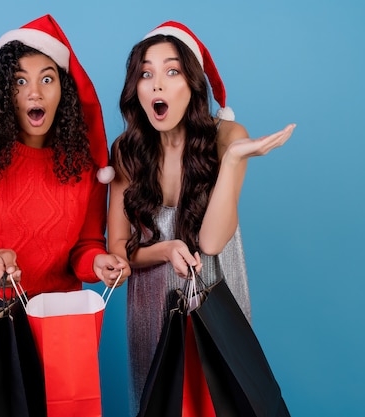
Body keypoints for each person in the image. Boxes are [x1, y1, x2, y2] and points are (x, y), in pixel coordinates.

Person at [107, 21, 295, 414]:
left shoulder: (227, 136)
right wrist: (164, 250)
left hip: (217, 296)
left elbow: (210, 243)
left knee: (226, 400)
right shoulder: (125, 151)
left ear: (192, 83)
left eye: (171, 71)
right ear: (135, 88)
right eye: (146, 73)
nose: (157, 84)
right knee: (160, 401)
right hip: (152, 305)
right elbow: (119, 252)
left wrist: (232, 160)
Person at [0, 14, 129, 364]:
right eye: (19, 81)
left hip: (60, 320)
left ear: (64, 91)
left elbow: (85, 247)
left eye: (47, 79)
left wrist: (99, 263)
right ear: (1, 92)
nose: (35, 92)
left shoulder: (82, 161)